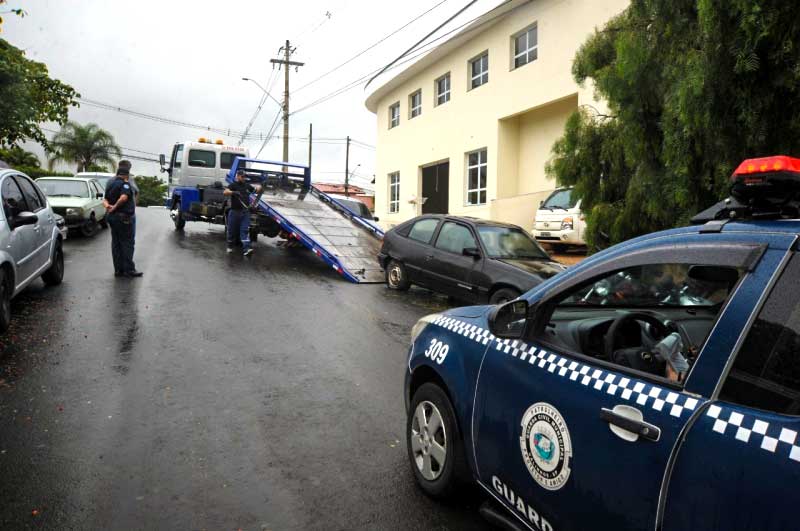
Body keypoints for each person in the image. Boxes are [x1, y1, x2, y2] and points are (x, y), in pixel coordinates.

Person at [103, 161, 142, 277]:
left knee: (116, 243)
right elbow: (127, 196)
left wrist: (109, 207)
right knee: (128, 243)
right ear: (128, 171)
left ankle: (118, 269)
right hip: (125, 217)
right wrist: (130, 206)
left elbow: (105, 199)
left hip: (112, 217)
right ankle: (129, 270)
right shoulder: (127, 181)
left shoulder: (110, 182)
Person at [223, 169, 261, 256]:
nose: (243, 178)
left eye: (244, 177)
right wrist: (233, 192)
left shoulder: (247, 186)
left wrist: (261, 187)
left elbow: (256, 190)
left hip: (245, 212)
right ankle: (230, 246)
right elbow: (225, 192)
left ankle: (246, 249)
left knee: (244, 231)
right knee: (231, 231)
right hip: (234, 212)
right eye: (242, 176)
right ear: (238, 176)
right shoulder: (233, 185)